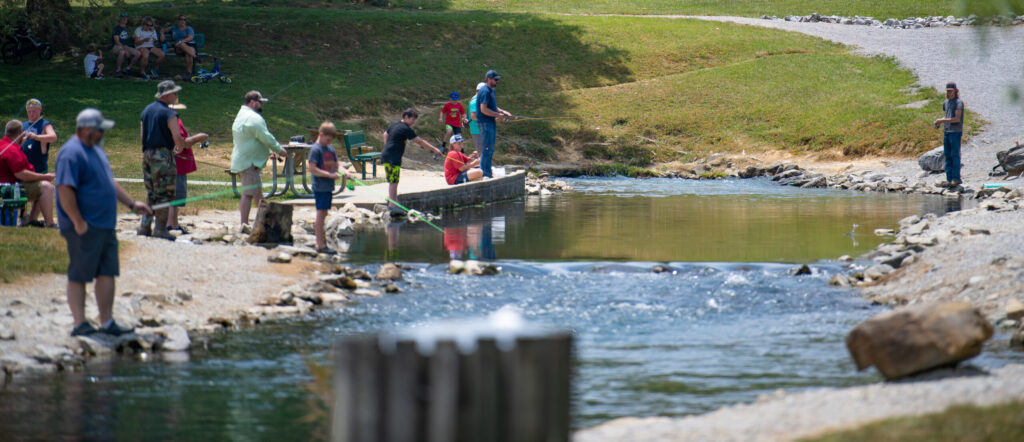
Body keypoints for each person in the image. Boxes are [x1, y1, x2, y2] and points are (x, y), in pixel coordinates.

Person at [55, 108, 152, 337]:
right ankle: (80, 324)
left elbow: (110, 181)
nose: (102, 134)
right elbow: (65, 189)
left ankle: (106, 322)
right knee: (79, 273)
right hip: (84, 225)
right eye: (100, 130)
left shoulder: (96, 150)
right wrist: (77, 221)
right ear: (87, 130)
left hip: (105, 225)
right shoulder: (71, 153)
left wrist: (132, 203)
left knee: (107, 272)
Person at [138, 80, 185, 240]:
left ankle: (144, 226)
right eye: (175, 93)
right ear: (167, 95)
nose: (176, 96)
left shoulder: (146, 110)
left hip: (147, 154)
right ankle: (160, 229)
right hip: (163, 155)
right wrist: (180, 146)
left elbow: (142, 135)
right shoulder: (169, 113)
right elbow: (177, 136)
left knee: (151, 193)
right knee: (165, 193)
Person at [230, 90, 284, 225]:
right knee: (248, 194)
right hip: (249, 162)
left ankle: (264, 221)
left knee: (258, 195)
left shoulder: (242, 115)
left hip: (245, 160)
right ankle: (244, 224)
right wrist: (279, 150)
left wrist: (269, 151)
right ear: (253, 102)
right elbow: (266, 137)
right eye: (260, 102)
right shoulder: (253, 118)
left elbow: (255, 138)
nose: (262, 105)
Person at [380, 108, 442, 214]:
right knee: (393, 181)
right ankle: (391, 206)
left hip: (388, 155)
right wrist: (434, 149)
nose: (413, 122)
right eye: (412, 119)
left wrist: (387, 146)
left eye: (414, 120)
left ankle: (394, 201)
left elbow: (385, 134)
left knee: (394, 180)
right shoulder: (405, 128)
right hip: (392, 157)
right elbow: (419, 141)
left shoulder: (395, 124)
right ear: (406, 117)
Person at [0, 120, 55, 227]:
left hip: (6, 187)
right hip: (9, 189)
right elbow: (21, 174)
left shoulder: (4, 145)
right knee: (46, 187)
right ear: (21, 132)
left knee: (40, 185)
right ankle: (49, 224)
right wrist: (45, 176)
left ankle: (29, 220)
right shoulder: (12, 150)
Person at [307, 121, 349, 254]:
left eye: (331, 139)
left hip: (329, 187)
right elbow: (312, 169)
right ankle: (319, 244)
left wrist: (345, 172)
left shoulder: (330, 149)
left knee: (324, 213)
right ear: (321, 134)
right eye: (327, 138)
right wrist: (329, 175)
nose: (329, 141)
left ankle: (322, 242)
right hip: (320, 186)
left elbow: (336, 165)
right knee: (320, 214)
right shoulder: (316, 149)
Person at [167, 103, 208, 233]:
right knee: (174, 196)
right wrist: (198, 138)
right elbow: (182, 144)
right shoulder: (174, 123)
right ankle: (171, 225)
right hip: (177, 165)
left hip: (177, 165)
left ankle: (174, 224)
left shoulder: (174, 122)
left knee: (175, 196)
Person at [19, 98, 57, 226]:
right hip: (24, 166)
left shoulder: (44, 124)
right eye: (29, 111)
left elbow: (53, 137)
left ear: (40, 110)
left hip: (39, 165)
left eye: (34, 111)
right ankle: (25, 218)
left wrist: (37, 137)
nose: (32, 114)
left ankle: (33, 219)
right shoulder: (23, 126)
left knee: (42, 191)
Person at [475, 70, 513, 178]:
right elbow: (483, 109)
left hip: (490, 122)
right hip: (485, 123)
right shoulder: (485, 91)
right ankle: (485, 173)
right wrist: (497, 115)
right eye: (495, 80)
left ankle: (487, 172)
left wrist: (502, 111)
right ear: (488, 79)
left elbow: (492, 107)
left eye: (497, 79)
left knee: (490, 148)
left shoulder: (492, 91)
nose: (497, 81)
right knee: (486, 148)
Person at [933, 82, 965, 188]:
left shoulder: (959, 103)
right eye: (947, 91)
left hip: (955, 132)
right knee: (947, 155)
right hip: (946, 131)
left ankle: (956, 178)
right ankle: (949, 179)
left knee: (955, 155)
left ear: (956, 91)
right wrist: (939, 122)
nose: (949, 93)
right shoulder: (946, 102)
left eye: (951, 91)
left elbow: (956, 118)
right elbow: (947, 114)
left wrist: (941, 120)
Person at [111, 12, 140, 77]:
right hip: (117, 46)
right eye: (123, 19)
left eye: (126, 19)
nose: (125, 20)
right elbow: (116, 41)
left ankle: (128, 68)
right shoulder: (116, 28)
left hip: (126, 46)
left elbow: (130, 38)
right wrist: (125, 49)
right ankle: (118, 70)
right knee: (122, 52)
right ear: (120, 19)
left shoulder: (127, 28)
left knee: (138, 53)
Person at [468, 82, 485, 149]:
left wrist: (502, 112)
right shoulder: (474, 102)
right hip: (477, 131)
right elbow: (474, 116)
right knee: (482, 155)